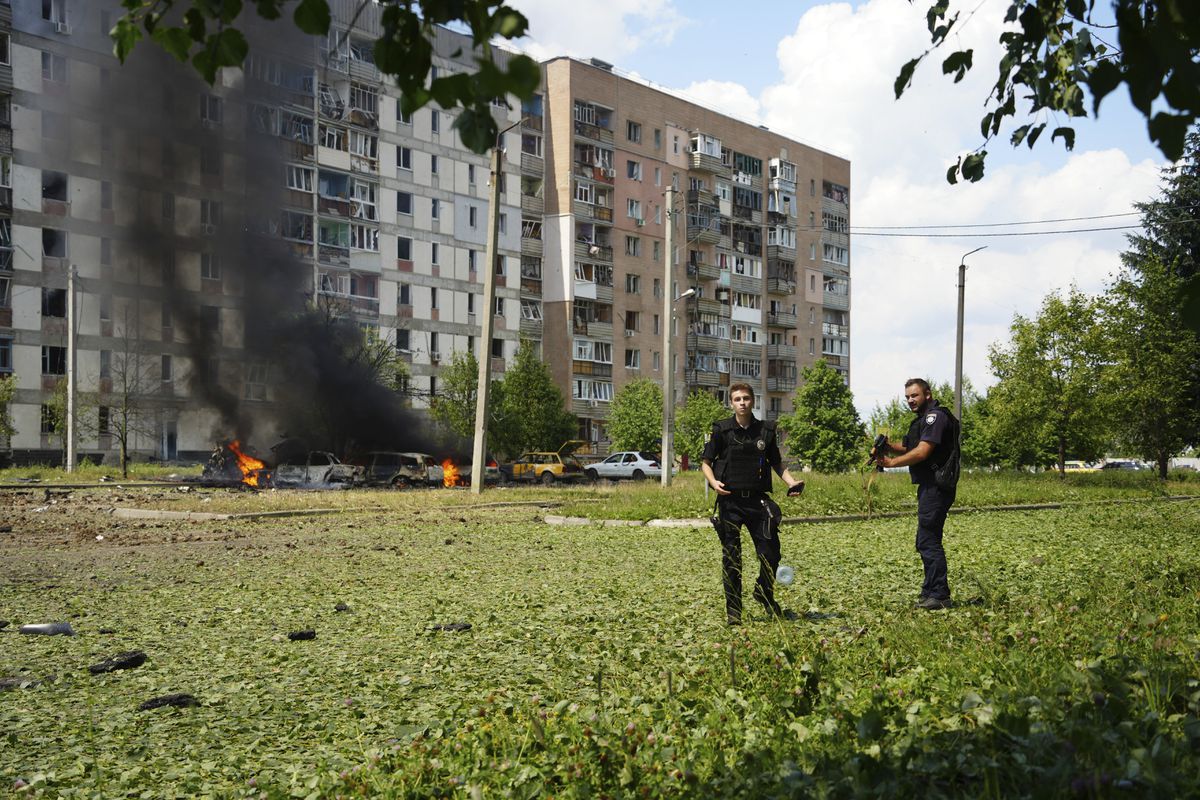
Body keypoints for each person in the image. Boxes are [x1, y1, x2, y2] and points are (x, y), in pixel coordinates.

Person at [701, 383, 805, 625]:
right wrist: (713, 482)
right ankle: (734, 612)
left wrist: (791, 482)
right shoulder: (722, 431)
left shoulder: (765, 431)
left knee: (771, 553)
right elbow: (706, 462)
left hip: (758, 502)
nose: (742, 403)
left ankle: (763, 592)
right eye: (737, 399)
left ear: (753, 401)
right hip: (730, 502)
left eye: (746, 398)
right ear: (731, 403)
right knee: (732, 559)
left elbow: (777, 463)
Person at [875, 378, 959, 610]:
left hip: (937, 487)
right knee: (925, 540)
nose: (910, 400)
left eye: (915, 396)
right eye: (907, 397)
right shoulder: (921, 421)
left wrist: (891, 463)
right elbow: (912, 447)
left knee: (928, 540)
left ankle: (939, 594)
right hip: (928, 487)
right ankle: (930, 591)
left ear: (927, 394)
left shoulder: (936, 417)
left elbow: (922, 452)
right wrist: (888, 446)